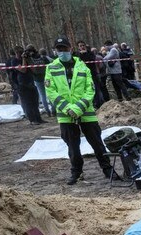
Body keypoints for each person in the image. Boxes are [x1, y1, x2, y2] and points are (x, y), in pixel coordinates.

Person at [44, 36, 119, 185]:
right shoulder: (51, 68)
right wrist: (68, 108)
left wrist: (78, 108)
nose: (62, 51)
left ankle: (107, 169)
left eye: (65, 48)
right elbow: (51, 91)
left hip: (86, 112)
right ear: (55, 51)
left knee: (97, 143)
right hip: (66, 115)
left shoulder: (82, 66)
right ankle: (76, 172)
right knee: (73, 146)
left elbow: (90, 90)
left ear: (70, 49)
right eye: (59, 49)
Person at [11, 46, 44, 125]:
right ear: (16, 53)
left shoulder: (27, 59)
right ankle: (32, 120)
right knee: (27, 103)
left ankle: (38, 118)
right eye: (19, 52)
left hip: (31, 82)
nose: (20, 54)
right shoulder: (14, 61)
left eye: (21, 52)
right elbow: (23, 70)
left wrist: (29, 59)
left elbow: (34, 70)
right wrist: (23, 59)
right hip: (22, 84)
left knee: (35, 102)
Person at [26, 44, 55, 117]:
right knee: (49, 94)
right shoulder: (41, 56)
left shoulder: (29, 58)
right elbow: (50, 63)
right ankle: (53, 110)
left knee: (42, 95)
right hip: (46, 77)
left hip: (37, 79)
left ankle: (47, 111)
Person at [76, 41, 105, 109]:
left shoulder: (90, 53)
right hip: (82, 76)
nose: (82, 47)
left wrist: (85, 53)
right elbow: (78, 62)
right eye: (80, 46)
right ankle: (91, 105)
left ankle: (98, 104)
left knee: (95, 89)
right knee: (86, 91)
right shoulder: (77, 54)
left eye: (83, 45)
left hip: (93, 74)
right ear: (78, 47)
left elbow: (91, 59)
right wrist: (81, 54)